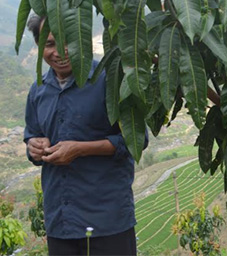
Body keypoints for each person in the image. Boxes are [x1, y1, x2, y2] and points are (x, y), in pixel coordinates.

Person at [23, 15, 147, 256]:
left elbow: (137, 141)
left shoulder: (110, 81)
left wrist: (81, 148)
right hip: (60, 222)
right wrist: (33, 146)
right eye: (49, 44)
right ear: (39, 48)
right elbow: (32, 136)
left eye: (69, 40)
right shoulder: (38, 89)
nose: (60, 52)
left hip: (107, 222)